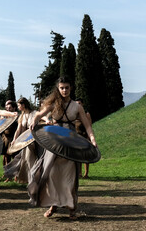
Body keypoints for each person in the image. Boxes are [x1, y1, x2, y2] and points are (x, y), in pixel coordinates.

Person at [28, 77, 97, 219]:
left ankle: (72, 208)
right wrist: (34, 121)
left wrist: (93, 140)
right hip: (54, 143)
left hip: (71, 143)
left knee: (70, 177)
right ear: (58, 89)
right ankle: (54, 205)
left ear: (70, 88)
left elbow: (87, 125)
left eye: (67, 87)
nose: (64, 90)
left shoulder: (77, 107)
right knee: (52, 175)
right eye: (62, 88)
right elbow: (39, 114)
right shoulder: (53, 104)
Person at [4, 97, 37, 184]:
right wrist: (15, 140)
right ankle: (28, 178)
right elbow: (19, 130)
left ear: (23, 105)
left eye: (19, 105)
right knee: (24, 159)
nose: (18, 107)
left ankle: (33, 178)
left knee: (30, 159)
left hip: (34, 140)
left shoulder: (34, 113)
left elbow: (43, 117)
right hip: (25, 141)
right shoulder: (22, 116)